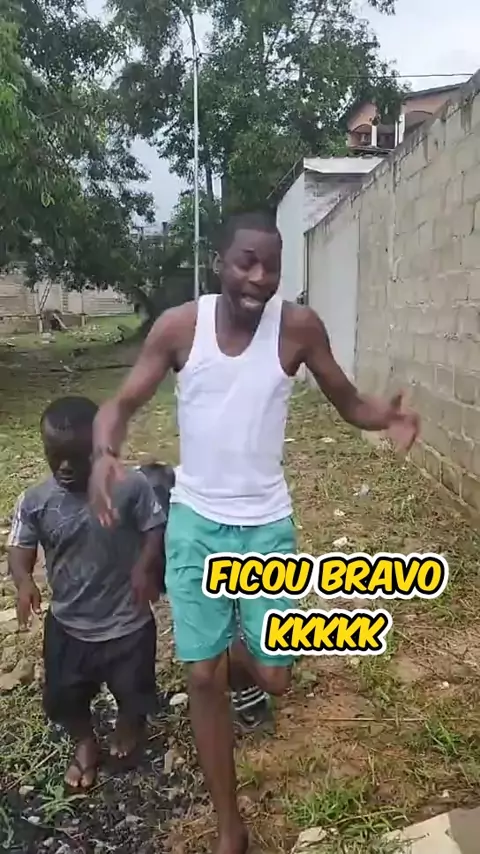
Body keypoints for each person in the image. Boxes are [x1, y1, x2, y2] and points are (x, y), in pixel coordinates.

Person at [89, 211, 420, 854]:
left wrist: (385, 416)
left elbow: (348, 400)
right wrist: (105, 452)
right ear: (220, 261)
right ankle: (229, 828)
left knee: (274, 677)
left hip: (266, 527)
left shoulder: (298, 329)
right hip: (195, 523)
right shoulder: (180, 328)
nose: (260, 277)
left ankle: (229, 651)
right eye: (247, 262)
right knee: (203, 680)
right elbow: (121, 402)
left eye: (272, 266)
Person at [7, 396, 166, 792]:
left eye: (76, 457)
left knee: (134, 687)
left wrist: (146, 564)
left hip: (127, 621)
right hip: (68, 624)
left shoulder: (129, 486)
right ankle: (84, 740)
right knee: (65, 695)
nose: (64, 466)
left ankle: (128, 724)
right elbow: (20, 547)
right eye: (55, 455)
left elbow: (154, 526)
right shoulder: (35, 501)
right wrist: (24, 580)